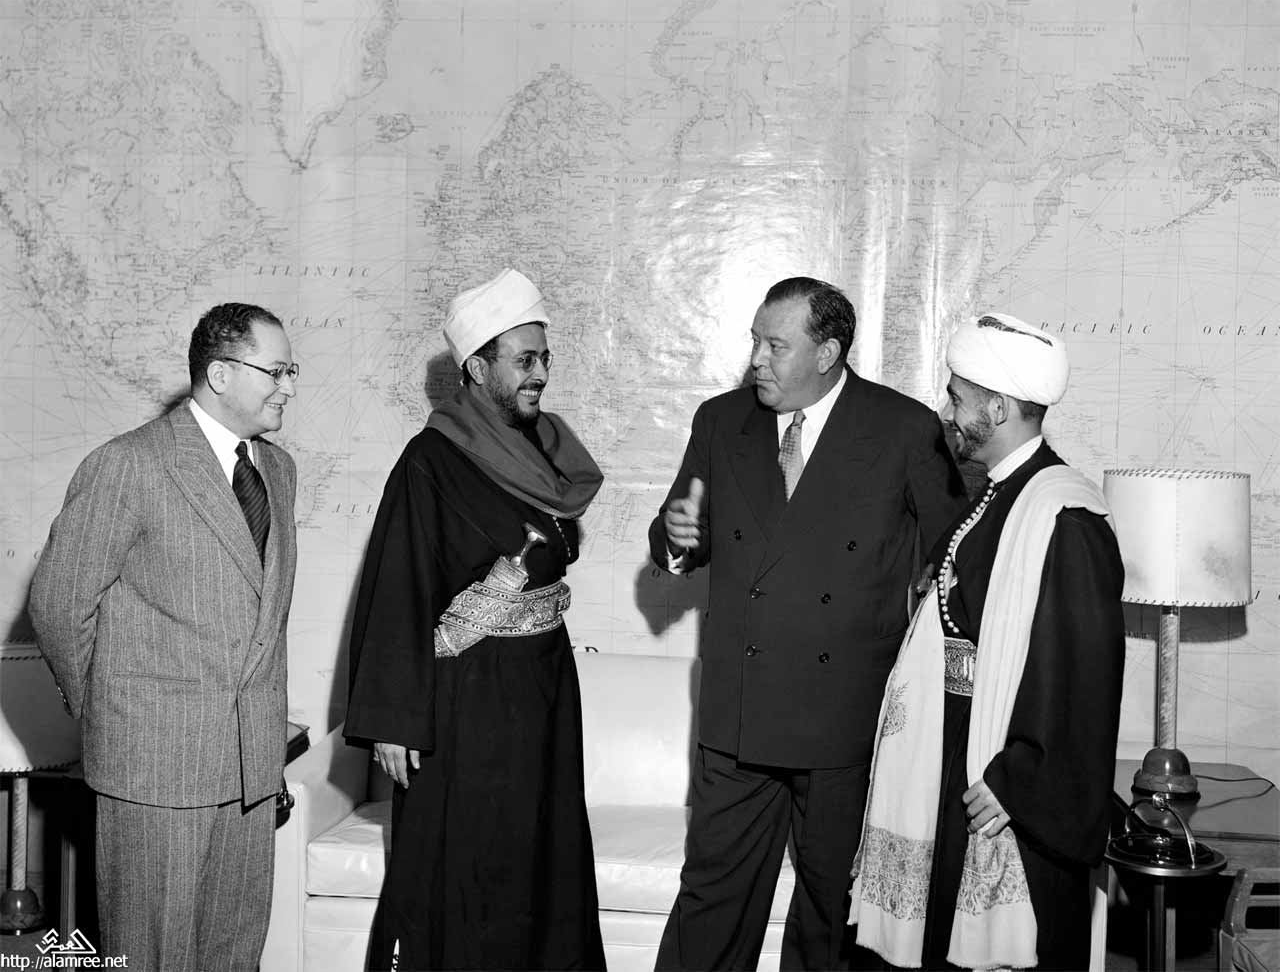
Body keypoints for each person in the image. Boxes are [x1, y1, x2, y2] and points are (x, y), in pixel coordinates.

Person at [650, 276, 968, 971]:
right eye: (755, 342)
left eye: (775, 345)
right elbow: (679, 535)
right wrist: (675, 538)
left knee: (831, 910)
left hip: (846, 718)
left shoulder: (904, 429)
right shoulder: (720, 421)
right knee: (711, 899)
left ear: (827, 353)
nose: (756, 360)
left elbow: (958, 553)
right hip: (738, 716)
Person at [345, 268, 607, 971]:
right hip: (468, 703)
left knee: (546, 858)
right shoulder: (431, 459)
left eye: (544, 358)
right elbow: (397, 586)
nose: (539, 374)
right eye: (524, 360)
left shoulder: (547, 446)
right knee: (466, 869)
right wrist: (396, 723)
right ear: (478, 367)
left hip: (546, 691)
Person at [849, 312, 1126, 971]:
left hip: (1005, 787)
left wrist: (1017, 778)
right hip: (956, 757)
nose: (946, 411)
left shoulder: (1065, 515)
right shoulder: (994, 497)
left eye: (957, 397)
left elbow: (1082, 676)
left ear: (998, 408)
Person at [29, 303, 299, 970]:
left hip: (251, 772)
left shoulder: (279, 471)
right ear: (221, 374)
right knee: (152, 956)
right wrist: (113, 712)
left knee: (234, 956)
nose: (289, 387)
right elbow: (59, 605)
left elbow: (263, 617)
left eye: (291, 372)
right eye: (277, 371)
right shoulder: (129, 464)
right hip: (155, 769)